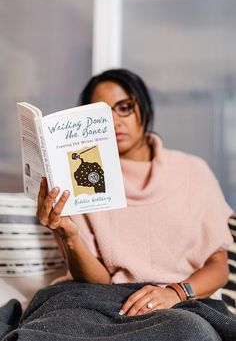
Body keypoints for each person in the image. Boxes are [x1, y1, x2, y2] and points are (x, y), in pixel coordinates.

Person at [2, 69, 235, 341]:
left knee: (191, 332)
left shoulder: (193, 171)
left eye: (124, 107)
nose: (114, 120)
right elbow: (97, 280)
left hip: (176, 302)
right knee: (45, 331)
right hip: (94, 300)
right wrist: (69, 234)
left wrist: (175, 292)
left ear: (145, 109)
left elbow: (218, 266)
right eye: (101, 114)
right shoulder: (77, 177)